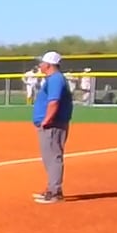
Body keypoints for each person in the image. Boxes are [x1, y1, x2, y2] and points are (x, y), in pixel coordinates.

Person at [32, 50, 73, 204]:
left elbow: (54, 102)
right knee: (49, 158)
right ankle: (52, 189)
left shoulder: (55, 79)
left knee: (53, 157)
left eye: (42, 63)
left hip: (53, 125)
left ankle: (55, 192)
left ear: (49, 65)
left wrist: (46, 120)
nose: (40, 65)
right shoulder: (54, 78)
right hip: (52, 124)